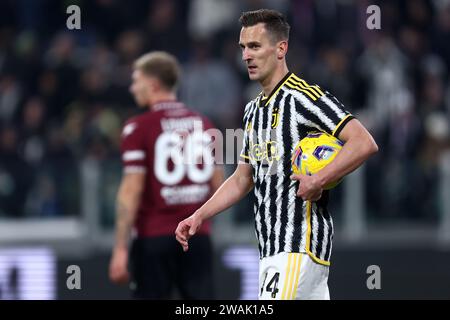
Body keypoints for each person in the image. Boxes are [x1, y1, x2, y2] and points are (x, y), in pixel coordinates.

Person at [175, 9, 378, 300]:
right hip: (271, 249)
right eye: (243, 47)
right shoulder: (252, 109)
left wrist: (319, 178)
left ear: (281, 48)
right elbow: (243, 177)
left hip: (298, 244)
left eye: (255, 46)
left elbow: (363, 141)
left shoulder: (304, 97)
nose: (246, 55)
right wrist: (199, 215)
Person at [109, 51, 223, 299]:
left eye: (136, 81)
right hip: (196, 238)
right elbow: (219, 184)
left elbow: (131, 190)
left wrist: (120, 248)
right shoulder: (205, 124)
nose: (132, 88)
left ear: (154, 84)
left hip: (154, 238)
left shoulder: (137, 127)